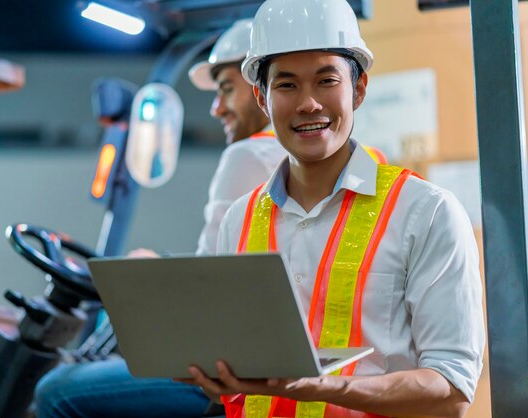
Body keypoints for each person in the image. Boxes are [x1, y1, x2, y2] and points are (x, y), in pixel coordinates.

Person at [185, 1, 485, 417]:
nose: (308, 104)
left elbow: (451, 390)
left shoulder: (426, 213)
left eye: (326, 80)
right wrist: (215, 377)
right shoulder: (239, 219)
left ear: (358, 89)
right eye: (287, 85)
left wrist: (327, 387)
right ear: (262, 97)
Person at [34, 19, 287, 418]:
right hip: (268, 357)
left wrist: (151, 277)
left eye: (225, 89)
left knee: (55, 391)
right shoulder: (312, 162)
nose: (216, 108)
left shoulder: (250, 154)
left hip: (229, 377)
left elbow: (210, 288)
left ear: (262, 85)